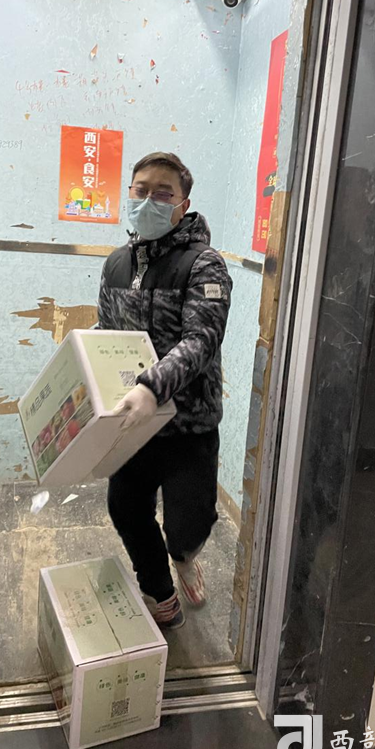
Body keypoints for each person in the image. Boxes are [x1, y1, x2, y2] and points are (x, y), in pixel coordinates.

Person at [97, 152, 232, 629]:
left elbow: (202, 340)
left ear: (182, 204)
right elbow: (105, 334)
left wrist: (152, 388)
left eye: (162, 193)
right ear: (128, 193)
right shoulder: (117, 264)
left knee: (187, 525)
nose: (148, 199)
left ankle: (184, 557)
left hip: (188, 426)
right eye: (141, 190)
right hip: (132, 425)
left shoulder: (204, 265)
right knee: (126, 510)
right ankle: (160, 593)